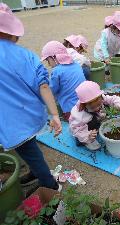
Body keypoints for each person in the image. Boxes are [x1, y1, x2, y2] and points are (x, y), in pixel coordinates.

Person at [0, 3, 62, 191]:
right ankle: (44, 178)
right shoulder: (25, 55)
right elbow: (43, 86)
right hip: (27, 117)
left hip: (9, 124)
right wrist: (55, 115)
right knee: (31, 149)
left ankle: (49, 184)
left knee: (29, 150)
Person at [69, 81, 120, 150]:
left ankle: (99, 122)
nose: (97, 108)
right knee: (82, 136)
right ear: (84, 105)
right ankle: (87, 141)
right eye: (92, 107)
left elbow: (114, 99)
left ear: (101, 96)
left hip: (95, 117)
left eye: (98, 105)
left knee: (103, 111)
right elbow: (76, 129)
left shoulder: (101, 98)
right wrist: (87, 136)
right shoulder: (80, 115)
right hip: (80, 128)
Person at [41, 41, 86, 121]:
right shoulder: (76, 64)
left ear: (54, 57)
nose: (48, 64)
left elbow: (52, 90)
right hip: (85, 103)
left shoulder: (57, 71)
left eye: (48, 60)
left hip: (71, 109)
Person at [94, 11, 120, 75]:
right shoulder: (105, 33)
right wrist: (106, 57)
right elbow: (103, 45)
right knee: (104, 66)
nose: (119, 31)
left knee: (113, 62)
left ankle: (108, 69)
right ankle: (105, 70)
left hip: (112, 50)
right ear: (113, 26)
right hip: (101, 52)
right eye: (118, 29)